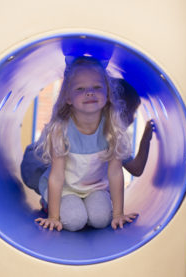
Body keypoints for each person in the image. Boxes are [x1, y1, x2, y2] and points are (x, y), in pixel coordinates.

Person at [22, 56, 137, 232]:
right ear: (68, 97)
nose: (89, 93)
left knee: (101, 219)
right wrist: (53, 217)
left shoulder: (112, 128)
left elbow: (115, 172)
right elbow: (57, 175)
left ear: (107, 94)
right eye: (80, 88)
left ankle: (91, 208)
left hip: (95, 188)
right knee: (75, 220)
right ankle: (49, 205)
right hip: (66, 189)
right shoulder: (61, 129)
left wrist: (118, 214)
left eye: (97, 87)